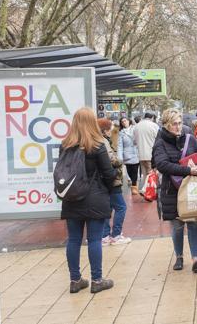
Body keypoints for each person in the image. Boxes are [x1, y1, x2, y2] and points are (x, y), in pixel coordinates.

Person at [60, 107, 116, 294]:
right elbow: (109, 174)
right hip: (95, 197)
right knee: (94, 240)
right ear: (92, 122)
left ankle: (75, 280)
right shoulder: (97, 145)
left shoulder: (65, 145)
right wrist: (107, 191)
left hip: (71, 198)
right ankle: (97, 280)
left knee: (74, 240)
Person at [152, 108, 197, 273]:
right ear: (166, 125)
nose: (178, 127)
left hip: (192, 189)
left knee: (193, 222)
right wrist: (186, 170)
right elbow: (162, 165)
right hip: (172, 191)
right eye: (174, 124)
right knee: (177, 226)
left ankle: (196, 260)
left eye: (179, 123)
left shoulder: (189, 139)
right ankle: (179, 256)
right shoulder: (160, 143)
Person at [97, 118, 132, 246]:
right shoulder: (104, 142)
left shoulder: (97, 140)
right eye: (110, 130)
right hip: (111, 179)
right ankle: (116, 235)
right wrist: (120, 161)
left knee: (109, 207)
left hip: (104, 180)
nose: (112, 132)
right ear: (105, 130)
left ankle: (105, 235)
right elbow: (112, 160)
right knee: (121, 207)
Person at [133, 111, 160, 190]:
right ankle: (147, 190)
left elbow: (134, 141)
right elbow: (159, 139)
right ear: (152, 117)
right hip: (152, 154)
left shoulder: (137, 126)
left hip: (141, 154)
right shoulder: (154, 125)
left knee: (144, 173)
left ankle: (145, 189)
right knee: (151, 173)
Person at [117, 117, 140, 198]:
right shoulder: (121, 133)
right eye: (122, 121)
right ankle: (134, 184)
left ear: (129, 121)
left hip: (135, 153)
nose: (124, 122)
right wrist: (120, 157)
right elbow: (120, 145)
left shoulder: (135, 129)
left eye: (125, 121)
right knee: (129, 171)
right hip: (127, 155)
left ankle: (134, 187)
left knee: (135, 171)